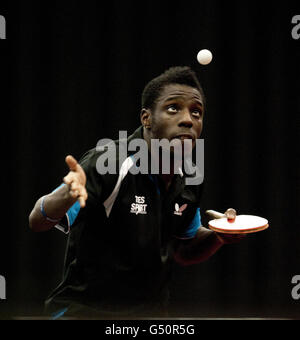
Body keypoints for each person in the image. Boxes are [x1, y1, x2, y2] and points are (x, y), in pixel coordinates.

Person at [29, 66, 244, 319]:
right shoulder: (108, 162)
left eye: (196, 112)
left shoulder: (190, 175)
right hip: (85, 311)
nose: (188, 119)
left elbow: (184, 250)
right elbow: (37, 221)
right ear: (146, 118)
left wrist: (220, 235)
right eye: (173, 108)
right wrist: (66, 195)